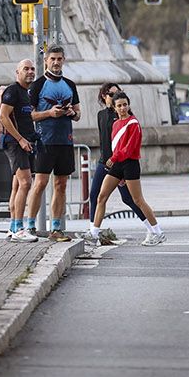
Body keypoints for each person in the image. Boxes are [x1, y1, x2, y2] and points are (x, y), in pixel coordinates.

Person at [85, 91, 166, 246]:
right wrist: (116, 164)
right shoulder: (115, 124)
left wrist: (114, 159)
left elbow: (129, 149)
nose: (122, 108)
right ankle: (94, 233)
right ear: (114, 108)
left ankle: (158, 232)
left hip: (130, 164)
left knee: (138, 200)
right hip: (117, 165)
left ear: (128, 105)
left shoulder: (133, 124)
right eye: (119, 106)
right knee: (101, 197)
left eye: (125, 105)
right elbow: (116, 146)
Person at [26, 46, 82, 241]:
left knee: (61, 184)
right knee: (40, 183)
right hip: (44, 141)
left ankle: (56, 227)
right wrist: (49, 113)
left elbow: (78, 114)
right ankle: (30, 226)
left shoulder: (70, 85)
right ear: (46, 61)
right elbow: (29, 115)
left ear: (63, 60)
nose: (56, 62)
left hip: (65, 141)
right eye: (53, 59)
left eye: (59, 59)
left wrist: (71, 113)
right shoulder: (37, 85)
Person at [89, 81, 147, 244]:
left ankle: (150, 225)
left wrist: (118, 166)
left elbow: (125, 143)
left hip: (119, 162)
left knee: (129, 198)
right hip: (104, 162)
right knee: (96, 195)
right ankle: (93, 231)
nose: (116, 98)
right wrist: (106, 160)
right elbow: (104, 141)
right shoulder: (101, 115)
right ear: (103, 96)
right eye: (111, 94)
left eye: (118, 93)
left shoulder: (122, 115)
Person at [0, 60, 40, 242]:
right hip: (15, 143)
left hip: (26, 142)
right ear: (18, 72)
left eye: (32, 69)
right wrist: (21, 139)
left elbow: (26, 117)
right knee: (25, 183)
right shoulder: (12, 91)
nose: (30, 72)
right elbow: (3, 117)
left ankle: (12, 227)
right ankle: (18, 228)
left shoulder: (27, 93)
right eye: (26, 69)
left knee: (17, 185)